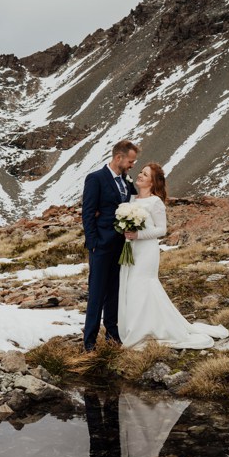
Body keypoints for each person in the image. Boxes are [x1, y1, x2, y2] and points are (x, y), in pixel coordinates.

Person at [119, 163, 229, 349]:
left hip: (146, 251)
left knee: (142, 285)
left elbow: (162, 230)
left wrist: (138, 235)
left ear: (153, 182)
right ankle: (136, 327)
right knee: (131, 287)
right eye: (140, 172)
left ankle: (151, 329)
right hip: (131, 249)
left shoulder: (155, 202)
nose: (139, 175)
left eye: (144, 174)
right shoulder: (131, 199)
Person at [81, 139, 139, 351]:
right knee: (97, 293)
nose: (132, 165)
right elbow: (87, 213)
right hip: (101, 245)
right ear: (118, 158)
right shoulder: (95, 179)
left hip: (121, 246)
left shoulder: (126, 180)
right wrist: (93, 242)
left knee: (114, 291)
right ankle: (89, 342)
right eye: (130, 161)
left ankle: (112, 335)